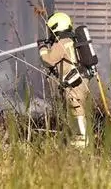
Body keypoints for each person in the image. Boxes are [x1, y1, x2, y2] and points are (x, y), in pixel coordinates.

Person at [39, 11, 91, 148]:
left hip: (75, 82)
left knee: (76, 108)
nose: (50, 34)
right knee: (76, 109)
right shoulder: (71, 40)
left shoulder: (62, 43)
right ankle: (78, 138)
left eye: (51, 30)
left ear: (56, 27)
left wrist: (42, 48)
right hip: (80, 80)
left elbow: (49, 60)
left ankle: (82, 140)